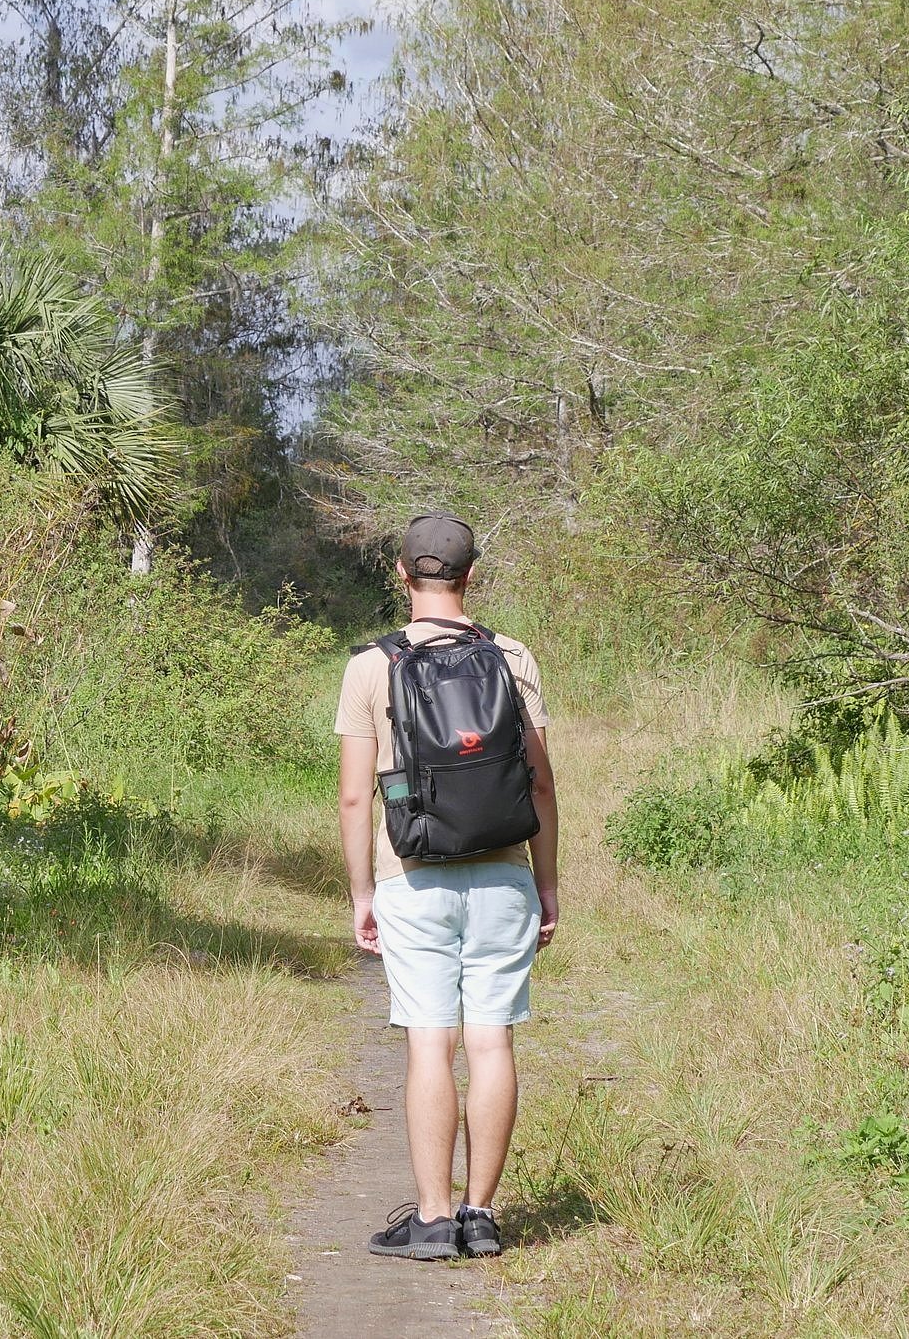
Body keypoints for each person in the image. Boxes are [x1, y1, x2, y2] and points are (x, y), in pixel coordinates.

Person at [334, 511, 560, 1261]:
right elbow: (541, 783)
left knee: (430, 1043)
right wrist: (547, 886)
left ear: (402, 573)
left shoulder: (372, 666)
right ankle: (481, 1215)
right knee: (490, 1041)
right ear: (471, 575)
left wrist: (363, 894)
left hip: (414, 876)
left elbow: (354, 797)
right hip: (504, 872)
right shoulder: (512, 657)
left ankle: (432, 1220)